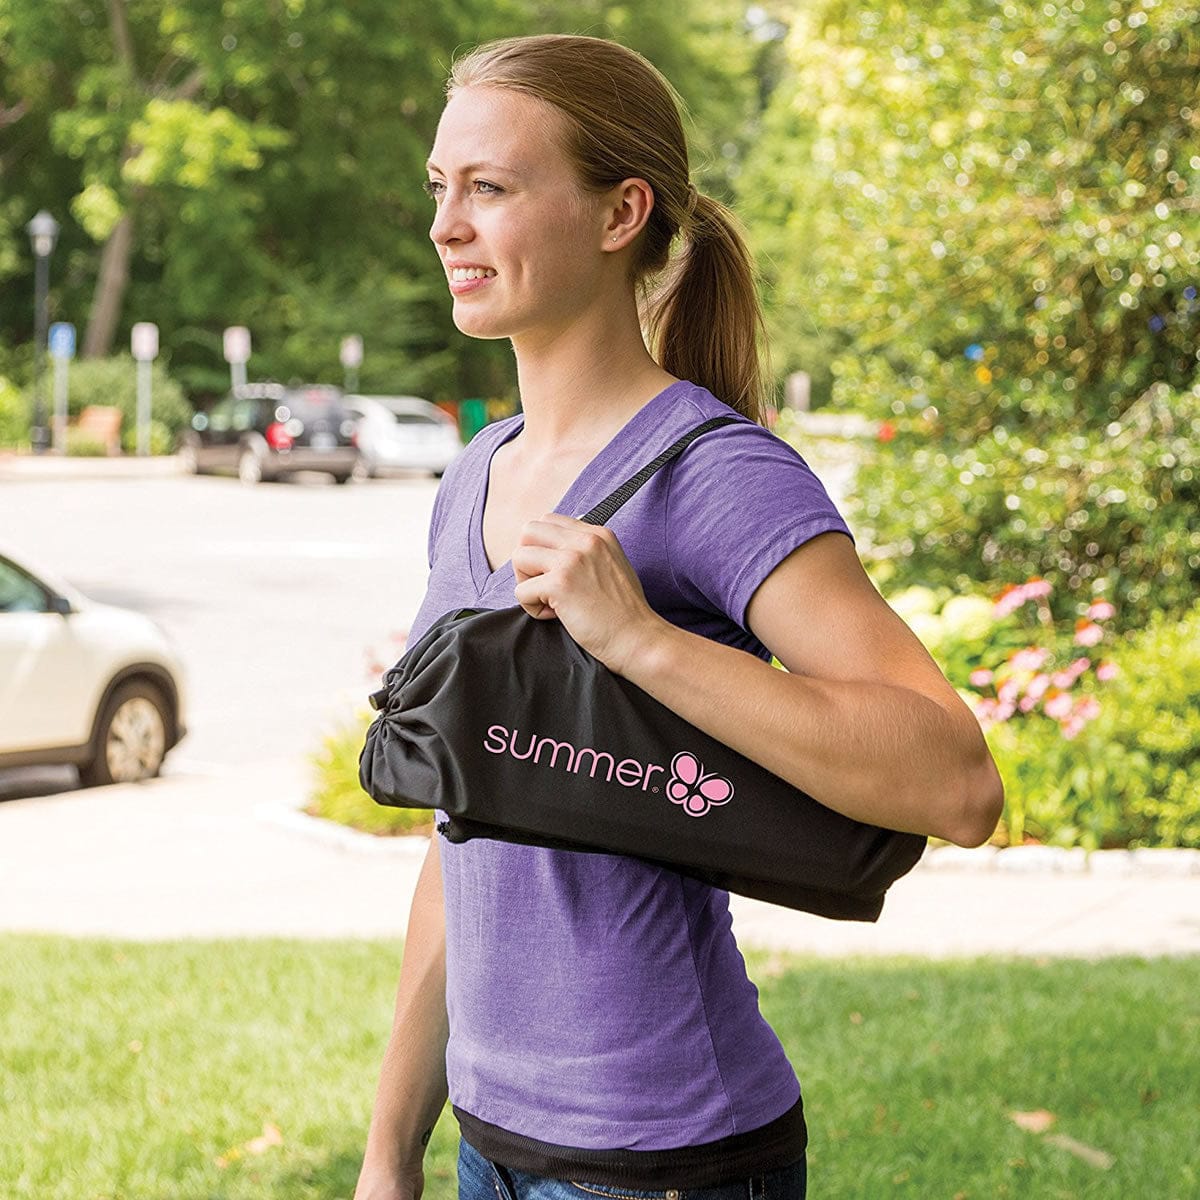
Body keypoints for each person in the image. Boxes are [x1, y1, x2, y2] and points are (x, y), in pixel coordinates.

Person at [353, 33, 1004, 1200]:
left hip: (665, 1162)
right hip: (489, 1149)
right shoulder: (476, 477)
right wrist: (391, 1147)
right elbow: (464, 837)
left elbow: (956, 783)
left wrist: (642, 640)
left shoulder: (716, 475)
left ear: (621, 213)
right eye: (441, 187)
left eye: (490, 187)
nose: (447, 225)